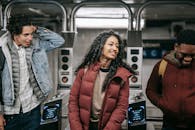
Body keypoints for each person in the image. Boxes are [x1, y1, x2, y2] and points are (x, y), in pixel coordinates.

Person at [0, 14, 64, 130]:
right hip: (9, 113)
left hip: (32, 109)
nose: (30, 38)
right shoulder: (2, 51)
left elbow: (59, 41)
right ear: (15, 35)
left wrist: (37, 29)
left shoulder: (36, 46)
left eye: (31, 34)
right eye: (26, 35)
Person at [68, 31, 135, 130]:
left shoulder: (122, 75)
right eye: (111, 44)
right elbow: (73, 102)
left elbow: (121, 107)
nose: (115, 49)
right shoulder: (84, 71)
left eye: (117, 46)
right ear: (101, 46)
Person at [146, 29, 195, 130]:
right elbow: (150, 90)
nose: (188, 59)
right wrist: (163, 104)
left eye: (193, 55)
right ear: (176, 47)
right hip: (169, 124)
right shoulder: (162, 66)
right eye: (184, 54)